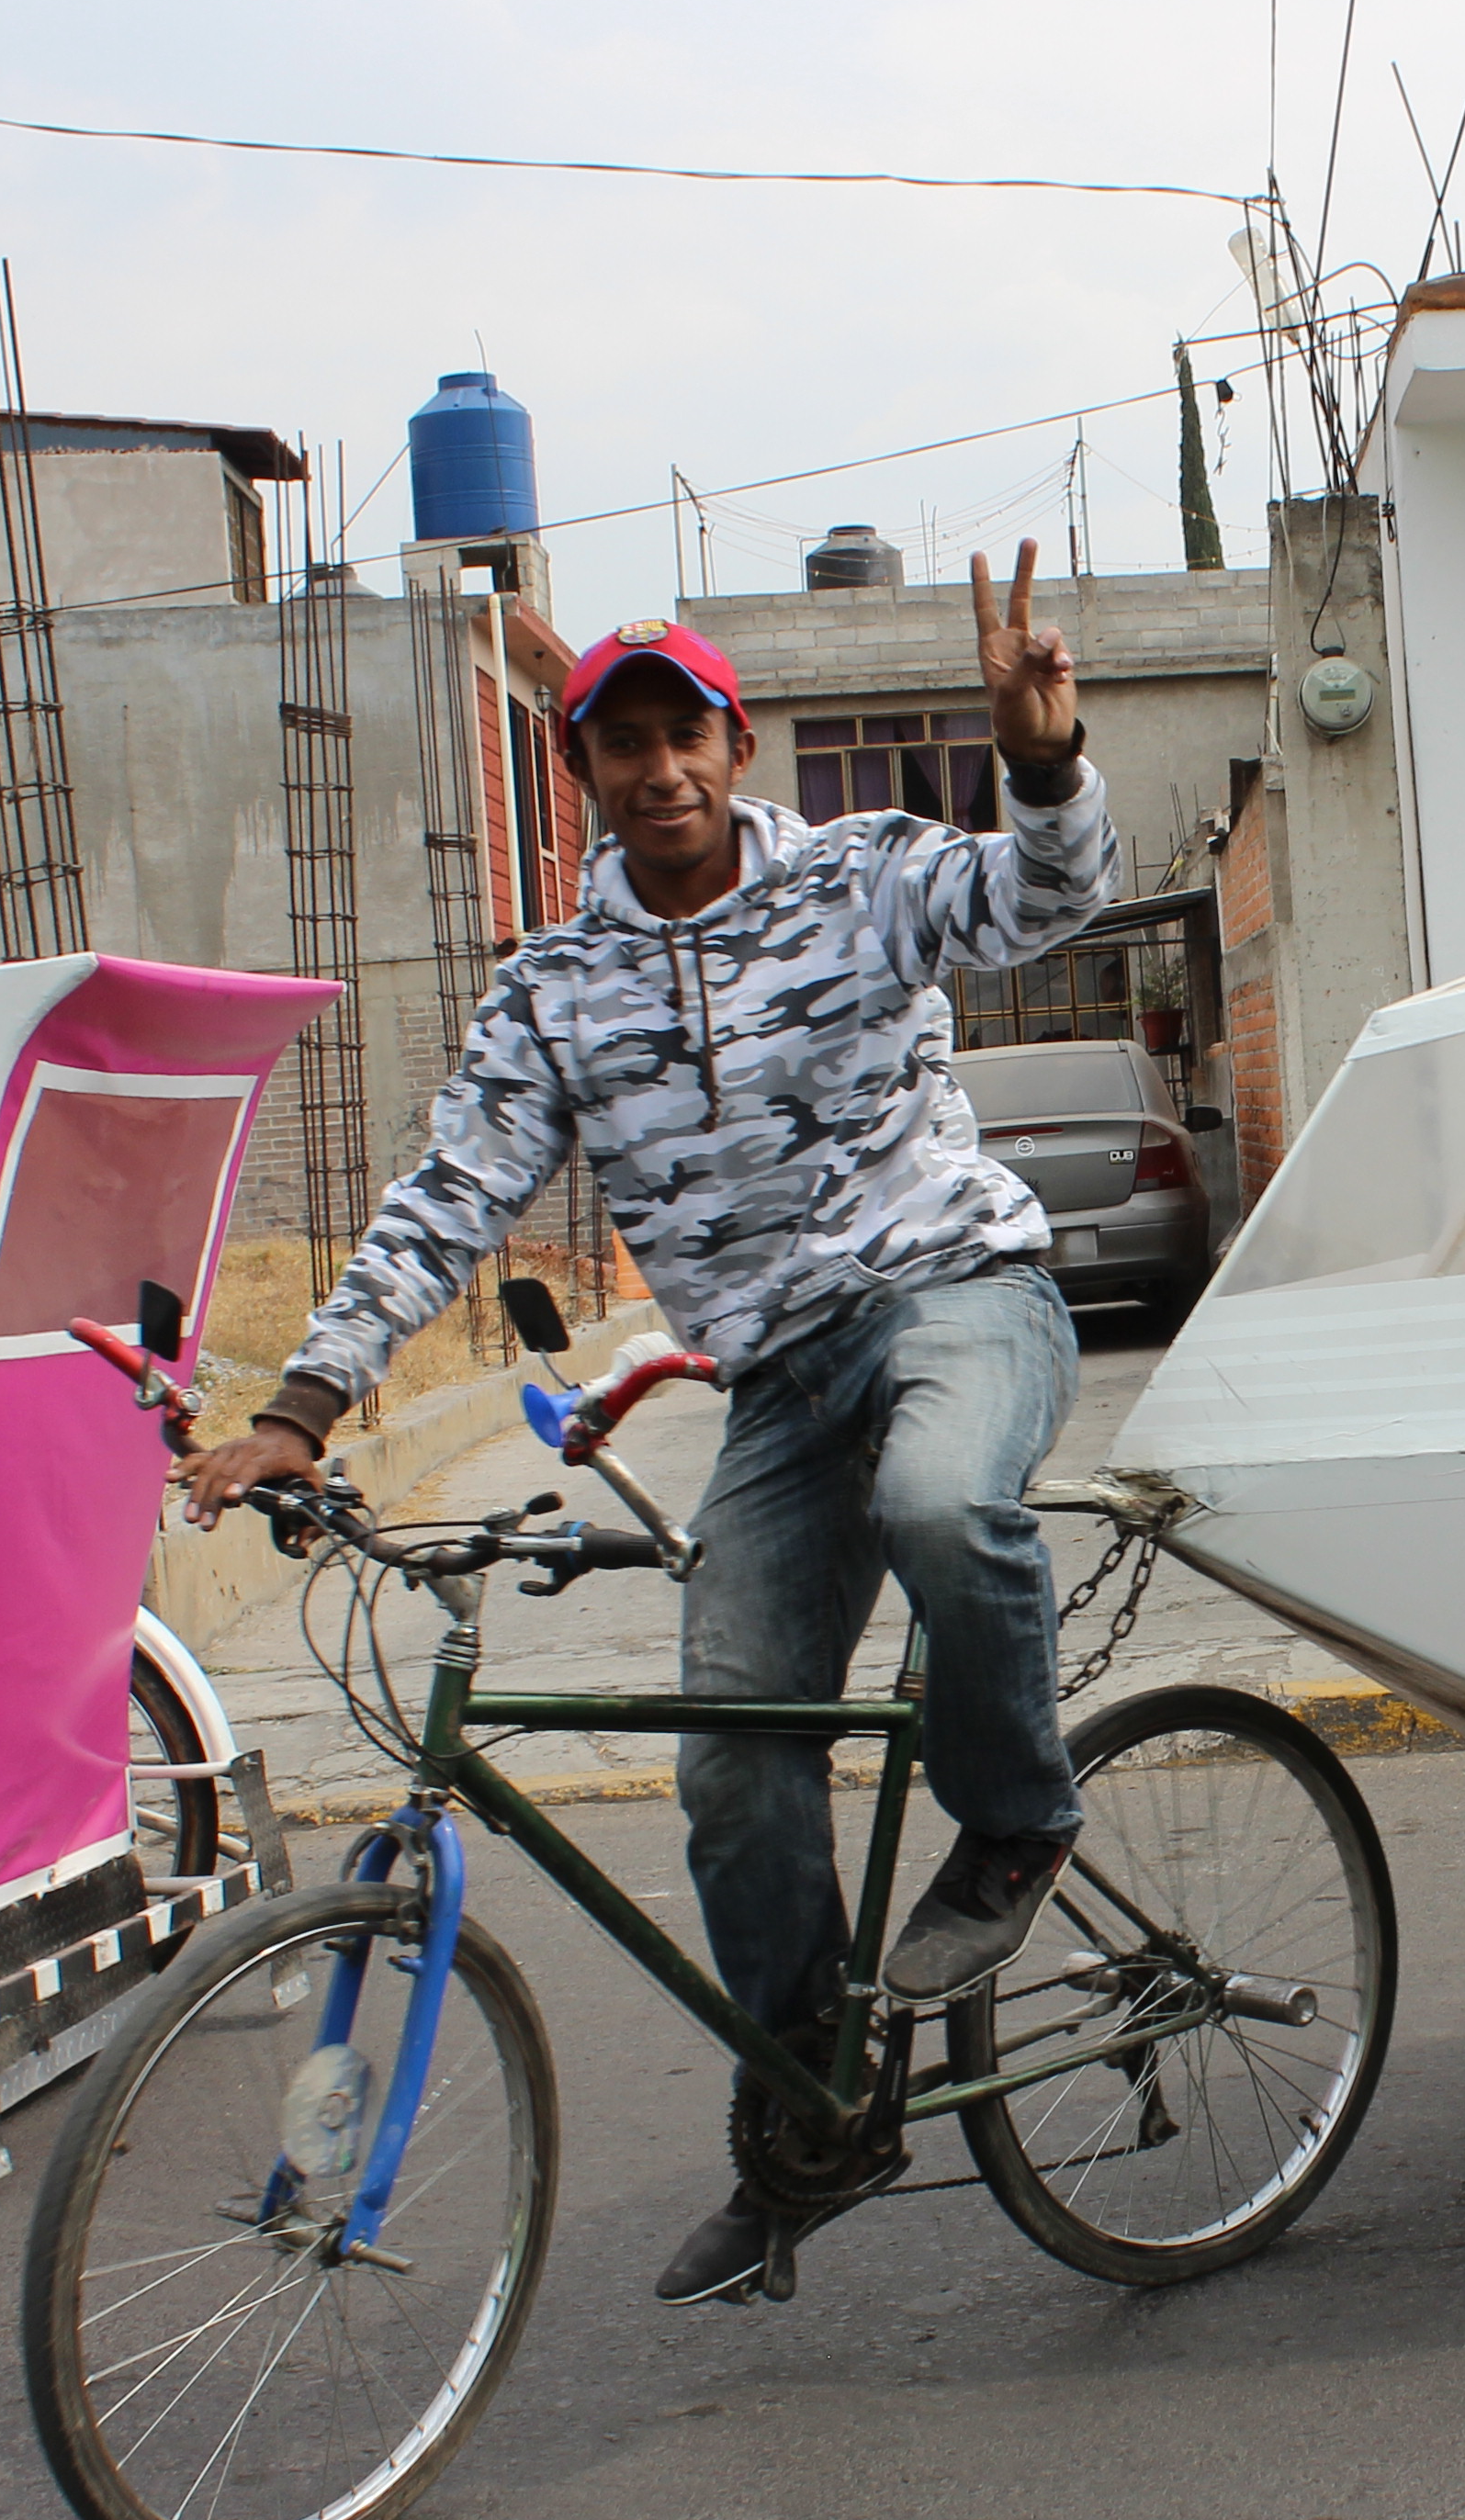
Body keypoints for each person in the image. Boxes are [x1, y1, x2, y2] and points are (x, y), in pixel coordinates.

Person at [184, 546, 1116, 2307]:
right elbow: (451, 1190)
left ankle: (1016, 1820)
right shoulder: (552, 990)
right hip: (772, 1381)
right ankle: (807, 2122)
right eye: (620, 746)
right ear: (584, 778)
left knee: (940, 1501)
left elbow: (1041, 905)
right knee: (727, 1765)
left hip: (952, 1294)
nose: (659, 768)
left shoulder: (858, 879)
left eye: (683, 732)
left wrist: (1041, 762)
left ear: (734, 746)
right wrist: (304, 1403)